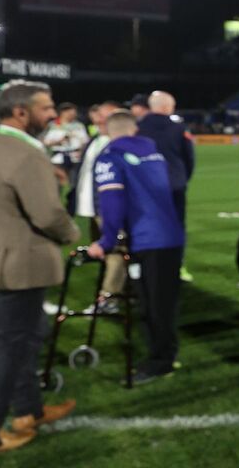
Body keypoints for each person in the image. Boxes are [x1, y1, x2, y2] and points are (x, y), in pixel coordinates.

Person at [0, 80, 79, 456]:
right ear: (21, 112)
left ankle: (28, 412)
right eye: (46, 108)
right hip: (21, 262)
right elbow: (47, 214)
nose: (52, 115)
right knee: (13, 345)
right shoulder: (25, 154)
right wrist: (71, 232)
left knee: (28, 337)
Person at [86, 111, 186, 383]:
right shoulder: (153, 152)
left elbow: (112, 202)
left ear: (107, 130)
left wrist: (106, 242)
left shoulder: (110, 156)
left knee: (153, 304)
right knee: (162, 302)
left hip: (148, 239)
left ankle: (160, 360)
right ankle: (162, 353)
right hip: (171, 235)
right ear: (135, 130)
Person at [137, 91, 196, 283]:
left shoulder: (137, 128)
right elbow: (189, 159)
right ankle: (175, 268)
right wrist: (181, 179)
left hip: (145, 190)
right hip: (173, 188)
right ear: (166, 107)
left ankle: (145, 270)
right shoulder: (179, 128)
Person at [75, 100, 127, 314]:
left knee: (115, 251)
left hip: (108, 208)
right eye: (99, 115)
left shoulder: (121, 144)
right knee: (104, 253)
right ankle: (118, 291)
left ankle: (109, 298)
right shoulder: (95, 140)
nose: (99, 119)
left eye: (106, 116)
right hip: (91, 208)